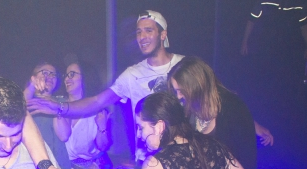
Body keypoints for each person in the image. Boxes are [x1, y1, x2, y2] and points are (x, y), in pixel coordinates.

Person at [26, 10, 273, 148]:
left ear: (162, 34)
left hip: (187, 155)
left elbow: (220, 98)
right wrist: (59, 107)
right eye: (138, 32)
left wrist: (255, 126)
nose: (142, 37)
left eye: (148, 31)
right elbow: (97, 102)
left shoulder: (186, 66)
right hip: (148, 159)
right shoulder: (132, 74)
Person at [168, 56, 260, 169]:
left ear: (196, 86)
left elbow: (246, 161)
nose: (179, 96)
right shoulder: (188, 110)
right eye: (176, 91)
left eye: (181, 90)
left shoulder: (232, 109)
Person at [54, 59, 111, 169]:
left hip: (86, 168)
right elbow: (62, 136)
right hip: (62, 167)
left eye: (72, 74)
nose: (67, 78)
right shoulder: (58, 105)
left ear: (84, 78)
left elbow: (102, 146)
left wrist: (102, 126)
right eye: (66, 75)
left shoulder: (96, 109)